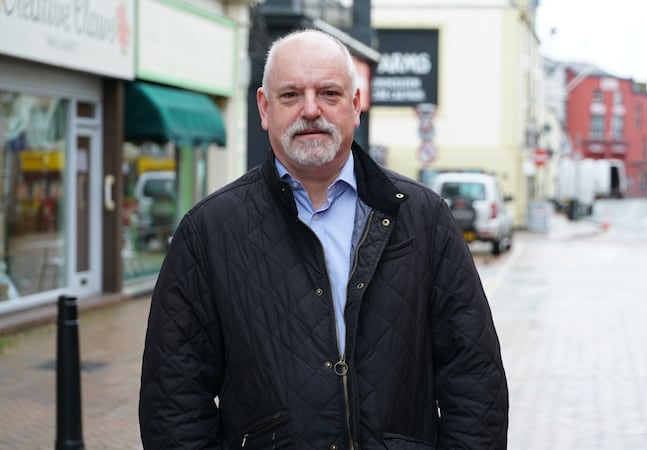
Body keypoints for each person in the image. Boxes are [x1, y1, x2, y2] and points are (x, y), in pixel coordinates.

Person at [139, 29, 508, 449]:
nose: (310, 110)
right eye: (291, 95)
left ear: (355, 106)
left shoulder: (423, 218)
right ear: (264, 108)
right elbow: (174, 400)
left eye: (329, 94)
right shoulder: (208, 232)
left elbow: (475, 381)